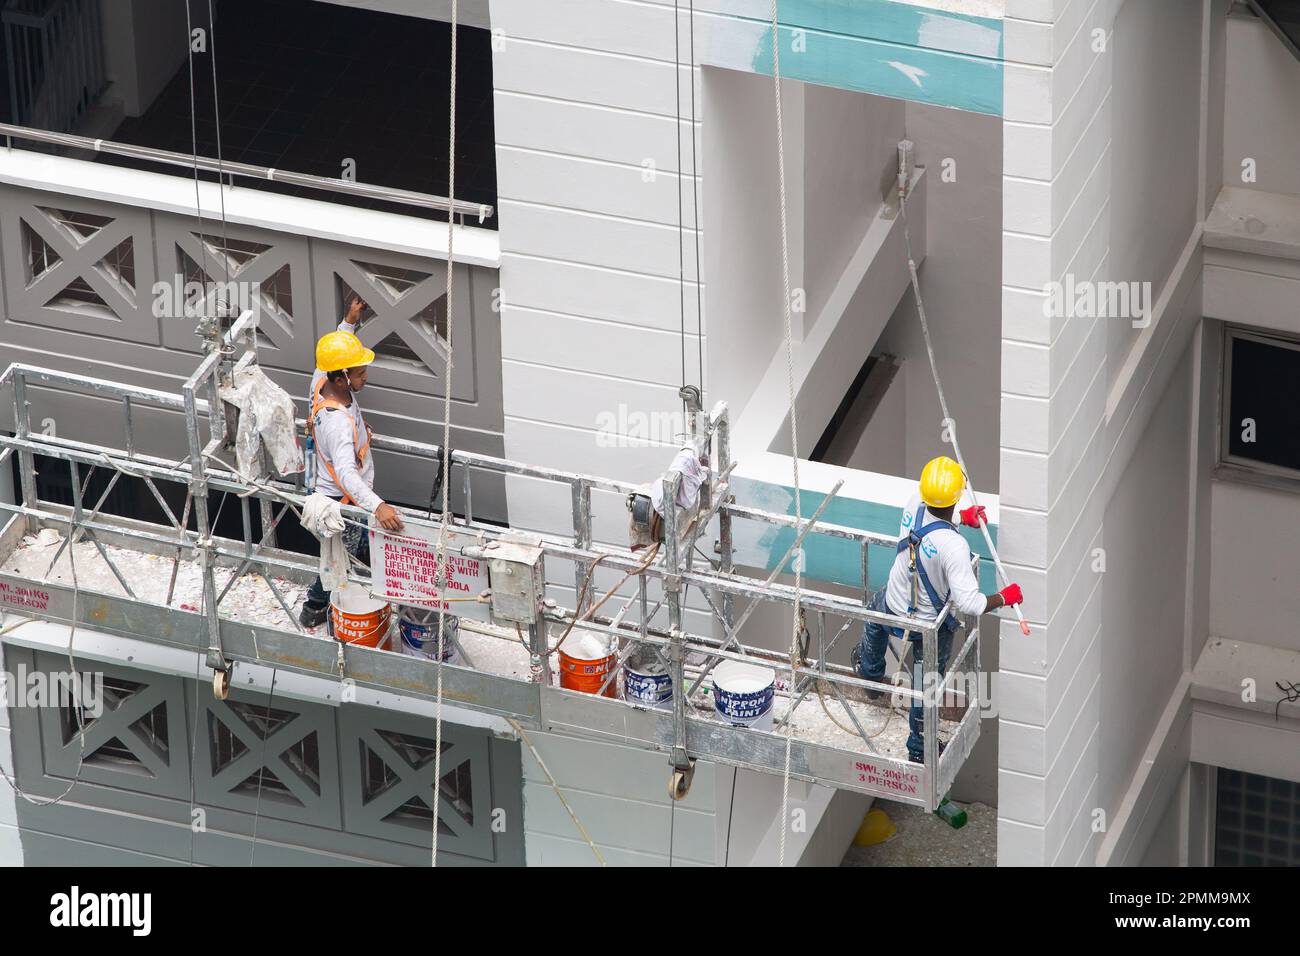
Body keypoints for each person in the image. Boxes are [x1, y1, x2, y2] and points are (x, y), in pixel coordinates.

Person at [851, 455, 1023, 764]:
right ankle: (920, 747)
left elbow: (935, 523)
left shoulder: (914, 501)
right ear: (956, 496)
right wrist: (1004, 597)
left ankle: (871, 673)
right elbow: (971, 602)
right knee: (926, 684)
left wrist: (963, 517)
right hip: (928, 627)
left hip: (893, 602)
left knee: (873, 618)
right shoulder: (954, 547)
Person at [298, 296, 405, 628]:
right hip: (341, 502)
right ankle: (317, 608)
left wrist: (349, 322)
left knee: (339, 556)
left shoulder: (321, 381)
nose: (366, 376)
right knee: (341, 560)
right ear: (342, 378)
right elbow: (346, 473)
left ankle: (326, 604)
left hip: (327, 488)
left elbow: (330, 355)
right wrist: (377, 507)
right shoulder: (339, 424)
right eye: (360, 372)